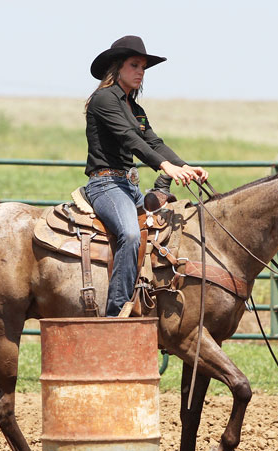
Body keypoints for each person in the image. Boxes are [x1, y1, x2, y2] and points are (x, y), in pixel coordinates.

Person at [84, 35, 209, 317]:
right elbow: (131, 140)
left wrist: (184, 166)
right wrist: (165, 167)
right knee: (129, 234)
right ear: (116, 68)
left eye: (143, 66)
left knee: (167, 228)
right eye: (134, 65)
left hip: (128, 186)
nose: (140, 71)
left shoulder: (135, 108)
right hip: (105, 184)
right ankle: (117, 311)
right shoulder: (104, 99)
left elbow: (153, 142)